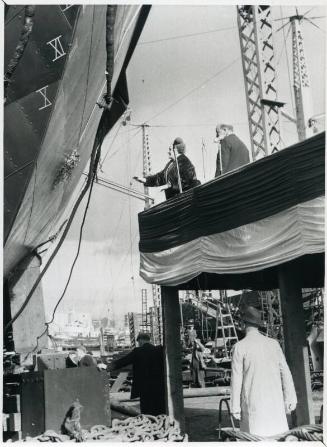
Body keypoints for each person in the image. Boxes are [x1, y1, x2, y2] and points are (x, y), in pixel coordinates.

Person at [230, 305, 297, 437]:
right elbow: (286, 373)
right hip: (275, 404)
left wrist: (235, 408)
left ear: (243, 323)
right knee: (277, 437)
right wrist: (290, 398)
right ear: (258, 324)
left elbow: (236, 380)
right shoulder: (274, 344)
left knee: (255, 438)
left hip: (254, 406)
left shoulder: (239, 347)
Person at [109, 332, 165, 415]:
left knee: (146, 409)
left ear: (141, 340)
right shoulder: (159, 350)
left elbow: (124, 361)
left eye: (138, 342)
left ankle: (149, 423)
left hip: (144, 386)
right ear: (148, 340)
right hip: (159, 385)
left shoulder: (137, 351)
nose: (138, 344)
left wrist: (110, 366)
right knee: (159, 407)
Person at [134, 137, 200, 200]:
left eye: (170, 149)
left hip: (183, 201)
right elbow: (160, 177)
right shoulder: (170, 164)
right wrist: (145, 180)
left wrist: (169, 186)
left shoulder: (185, 162)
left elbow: (188, 181)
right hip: (172, 200)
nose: (168, 152)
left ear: (176, 150)